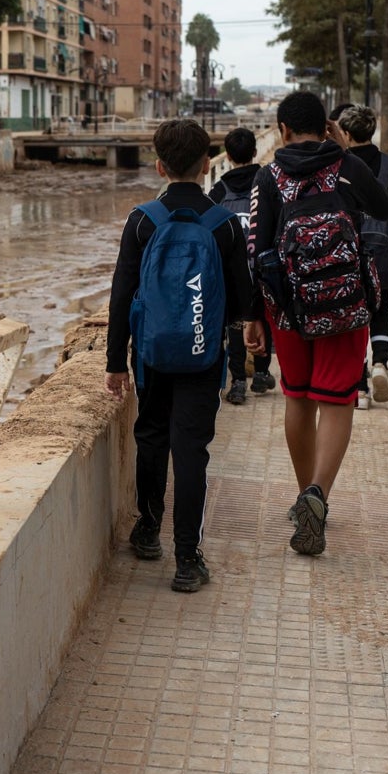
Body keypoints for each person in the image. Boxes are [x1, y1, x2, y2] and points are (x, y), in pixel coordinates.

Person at [243, 91, 388, 557]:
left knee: (298, 397)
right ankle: (318, 494)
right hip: (346, 305)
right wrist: (345, 153)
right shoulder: (346, 167)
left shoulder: (268, 176)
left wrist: (254, 316)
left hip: (288, 309)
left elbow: (257, 247)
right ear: (327, 127)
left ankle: (302, 494)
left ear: (282, 129)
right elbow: (386, 208)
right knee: (337, 401)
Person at [105, 118, 253, 593]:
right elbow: (240, 299)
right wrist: (242, 335)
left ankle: (148, 530)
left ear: (159, 165)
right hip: (202, 355)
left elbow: (122, 293)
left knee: (151, 437)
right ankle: (188, 559)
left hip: (150, 355)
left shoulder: (142, 220)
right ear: (208, 165)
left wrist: (113, 361)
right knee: (192, 452)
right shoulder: (225, 225)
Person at [336, 105, 388, 410]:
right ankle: (380, 361)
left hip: (346, 253)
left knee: (351, 317)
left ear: (347, 134)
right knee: (381, 307)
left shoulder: (340, 166)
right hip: (382, 253)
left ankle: (359, 388)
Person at [208, 127, 275, 406]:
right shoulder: (268, 182)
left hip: (230, 270)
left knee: (235, 322)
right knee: (263, 317)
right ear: (255, 151)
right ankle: (261, 372)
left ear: (228, 154)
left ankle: (237, 382)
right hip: (263, 266)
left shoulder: (219, 190)